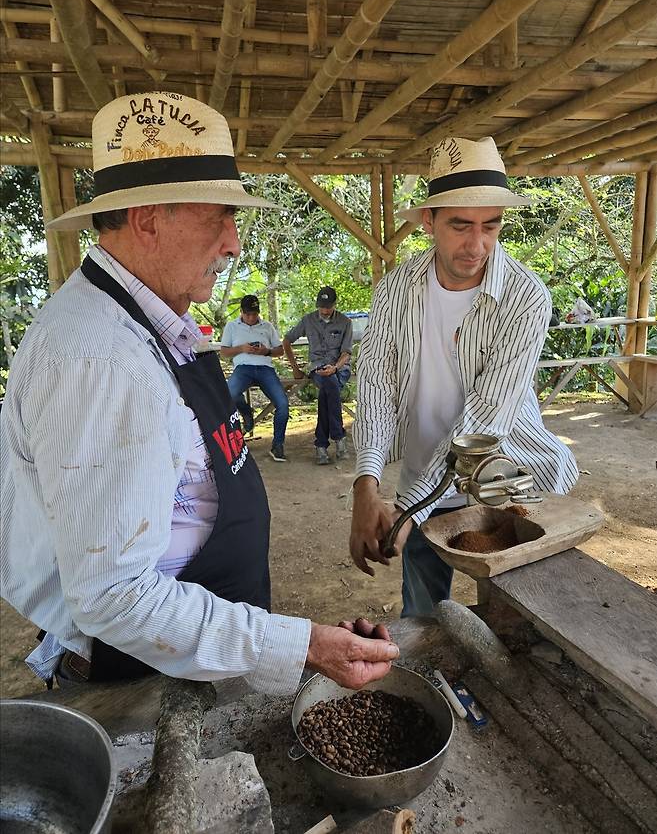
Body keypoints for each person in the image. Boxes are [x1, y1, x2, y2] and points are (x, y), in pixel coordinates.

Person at [0, 92, 399, 692]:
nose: (233, 243)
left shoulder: (151, 321)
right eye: (220, 217)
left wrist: (282, 638)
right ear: (147, 219)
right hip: (142, 677)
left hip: (197, 648)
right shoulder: (100, 362)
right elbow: (115, 595)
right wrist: (303, 645)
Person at [349, 136, 579, 616]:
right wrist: (366, 482)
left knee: (521, 616)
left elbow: (484, 421)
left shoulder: (525, 297)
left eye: (490, 225)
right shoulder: (396, 289)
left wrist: (409, 509)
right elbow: (375, 383)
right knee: (424, 616)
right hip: (422, 477)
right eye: (460, 225)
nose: (477, 245)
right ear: (428, 221)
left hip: (506, 481)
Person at [283, 287, 353, 465]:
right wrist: (295, 368)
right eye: (322, 307)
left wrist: (335, 368)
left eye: (328, 307)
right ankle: (338, 437)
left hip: (339, 368)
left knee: (328, 389)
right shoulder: (308, 320)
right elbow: (287, 340)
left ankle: (321, 444)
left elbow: (346, 353)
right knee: (330, 385)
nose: (325, 310)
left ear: (335, 305)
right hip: (317, 367)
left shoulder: (345, 322)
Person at [220, 294, 289, 462]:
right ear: (241, 312)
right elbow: (224, 352)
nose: (251, 318)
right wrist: (241, 349)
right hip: (243, 368)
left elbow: (280, 351)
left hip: (265, 368)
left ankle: (278, 444)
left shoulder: (267, 326)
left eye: (254, 314)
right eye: (248, 314)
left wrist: (266, 351)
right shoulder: (232, 326)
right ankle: (246, 413)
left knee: (283, 404)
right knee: (228, 394)